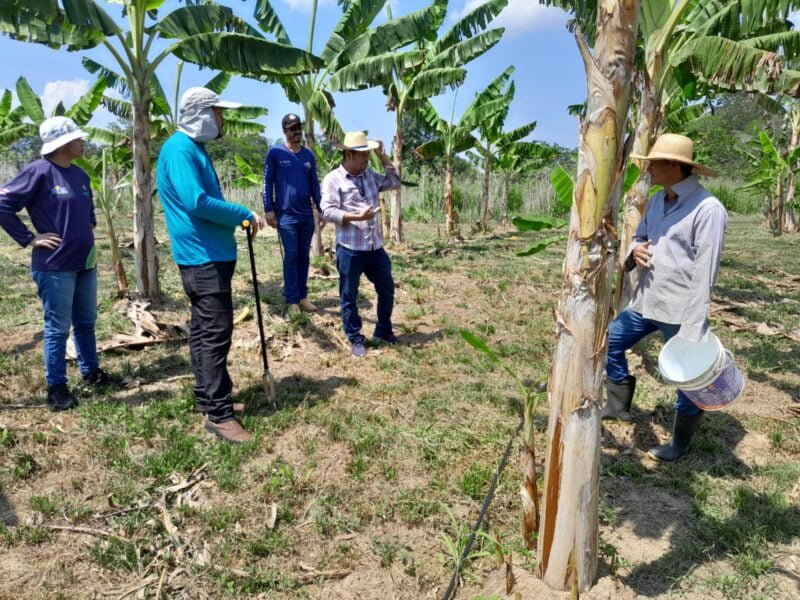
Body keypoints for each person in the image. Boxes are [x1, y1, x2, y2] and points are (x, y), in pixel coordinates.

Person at [603, 133, 728, 461]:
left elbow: (706, 271)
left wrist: (694, 324)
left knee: (687, 378)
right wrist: (635, 249)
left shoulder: (708, 209)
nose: (649, 170)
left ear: (675, 165)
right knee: (610, 341)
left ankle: (678, 444)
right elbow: (640, 234)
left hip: (680, 309)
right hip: (646, 301)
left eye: (654, 163)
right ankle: (617, 404)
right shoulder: (659, 200)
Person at [157, 87, 266, 444]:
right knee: (215, 334)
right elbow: (197, 201)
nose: (221, 120)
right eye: (218, 113)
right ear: (202, 114)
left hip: (208, 254)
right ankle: (219, 415)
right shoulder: (179, 149)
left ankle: (208, 398)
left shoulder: (192, 149)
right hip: (203, 257)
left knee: (204, 332)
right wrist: (242, 213)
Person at [0, 117, 118, 411]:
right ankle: (57, 386)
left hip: (84, 263)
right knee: (57, 327)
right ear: (63, 144)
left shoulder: (79, 176)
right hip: (54, 266)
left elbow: (88, 211)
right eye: (78, 139)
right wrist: (29, 238)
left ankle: (91, 372)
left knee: (86, 322)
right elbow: (3, 204)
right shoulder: (38, 172)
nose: (84, 142)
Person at [320, 131, 401, 358]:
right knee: (349, 295)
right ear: (348, 154)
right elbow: (327, 211)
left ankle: (383, 330)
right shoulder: (333, 179)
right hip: (350, 248)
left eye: (368, 155)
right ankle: (355, 338)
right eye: (362, 156)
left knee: (386, 288)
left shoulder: (370, 175)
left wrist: (383, 156)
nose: (367, 160)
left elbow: (395, 181)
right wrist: (357, 218)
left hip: (375, 248)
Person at [262, 113, 323, 316]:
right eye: (292, 129)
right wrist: (268, 209)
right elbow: (267, 182)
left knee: (304, 255)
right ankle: (292, 301)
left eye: (299, 128)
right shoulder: (276, 153)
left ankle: (303, 297)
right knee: (291, 255)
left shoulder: (308, 156)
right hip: (285, 215)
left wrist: (321, 209)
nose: (297, 132)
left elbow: (314, 184)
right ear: (285, 131)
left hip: (306, 214)